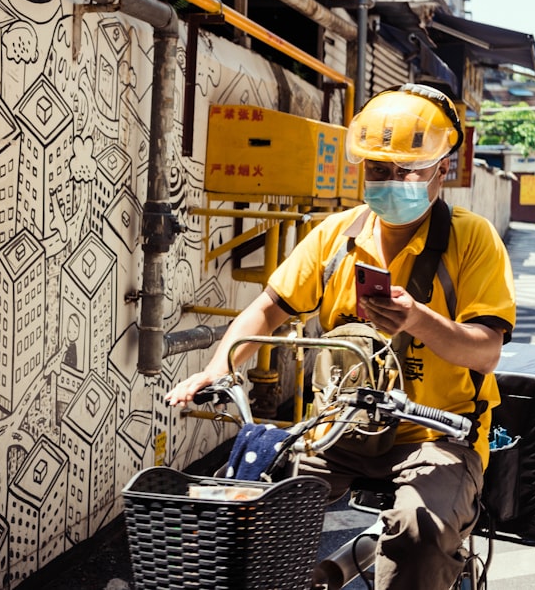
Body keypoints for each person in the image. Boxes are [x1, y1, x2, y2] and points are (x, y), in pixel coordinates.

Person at [166, 84, 516, 590]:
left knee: (420, 536)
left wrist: (417, 319)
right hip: (337, 429)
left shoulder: (473, 239)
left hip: (436, 436)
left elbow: (486, 352)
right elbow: (267, 310)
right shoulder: (335, 236)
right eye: (378, 169)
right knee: (248, 509)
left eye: (408, 171)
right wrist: (220, 367)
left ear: (443, 168)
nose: (391, 181)